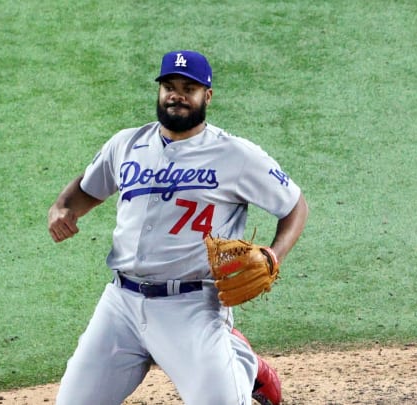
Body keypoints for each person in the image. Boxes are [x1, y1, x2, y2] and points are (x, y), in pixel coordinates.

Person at [48, 50, 308, 405]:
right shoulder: (126, 144)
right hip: (120, 305)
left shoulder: (236, 155)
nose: (177, 95)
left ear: (207, 97)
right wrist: (63, 209)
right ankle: (233, 351)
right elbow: (86, 188)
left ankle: (242, 363)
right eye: (169, 86)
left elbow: (294, 205)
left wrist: (274, 256)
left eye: (189, 88)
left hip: (191, 308)